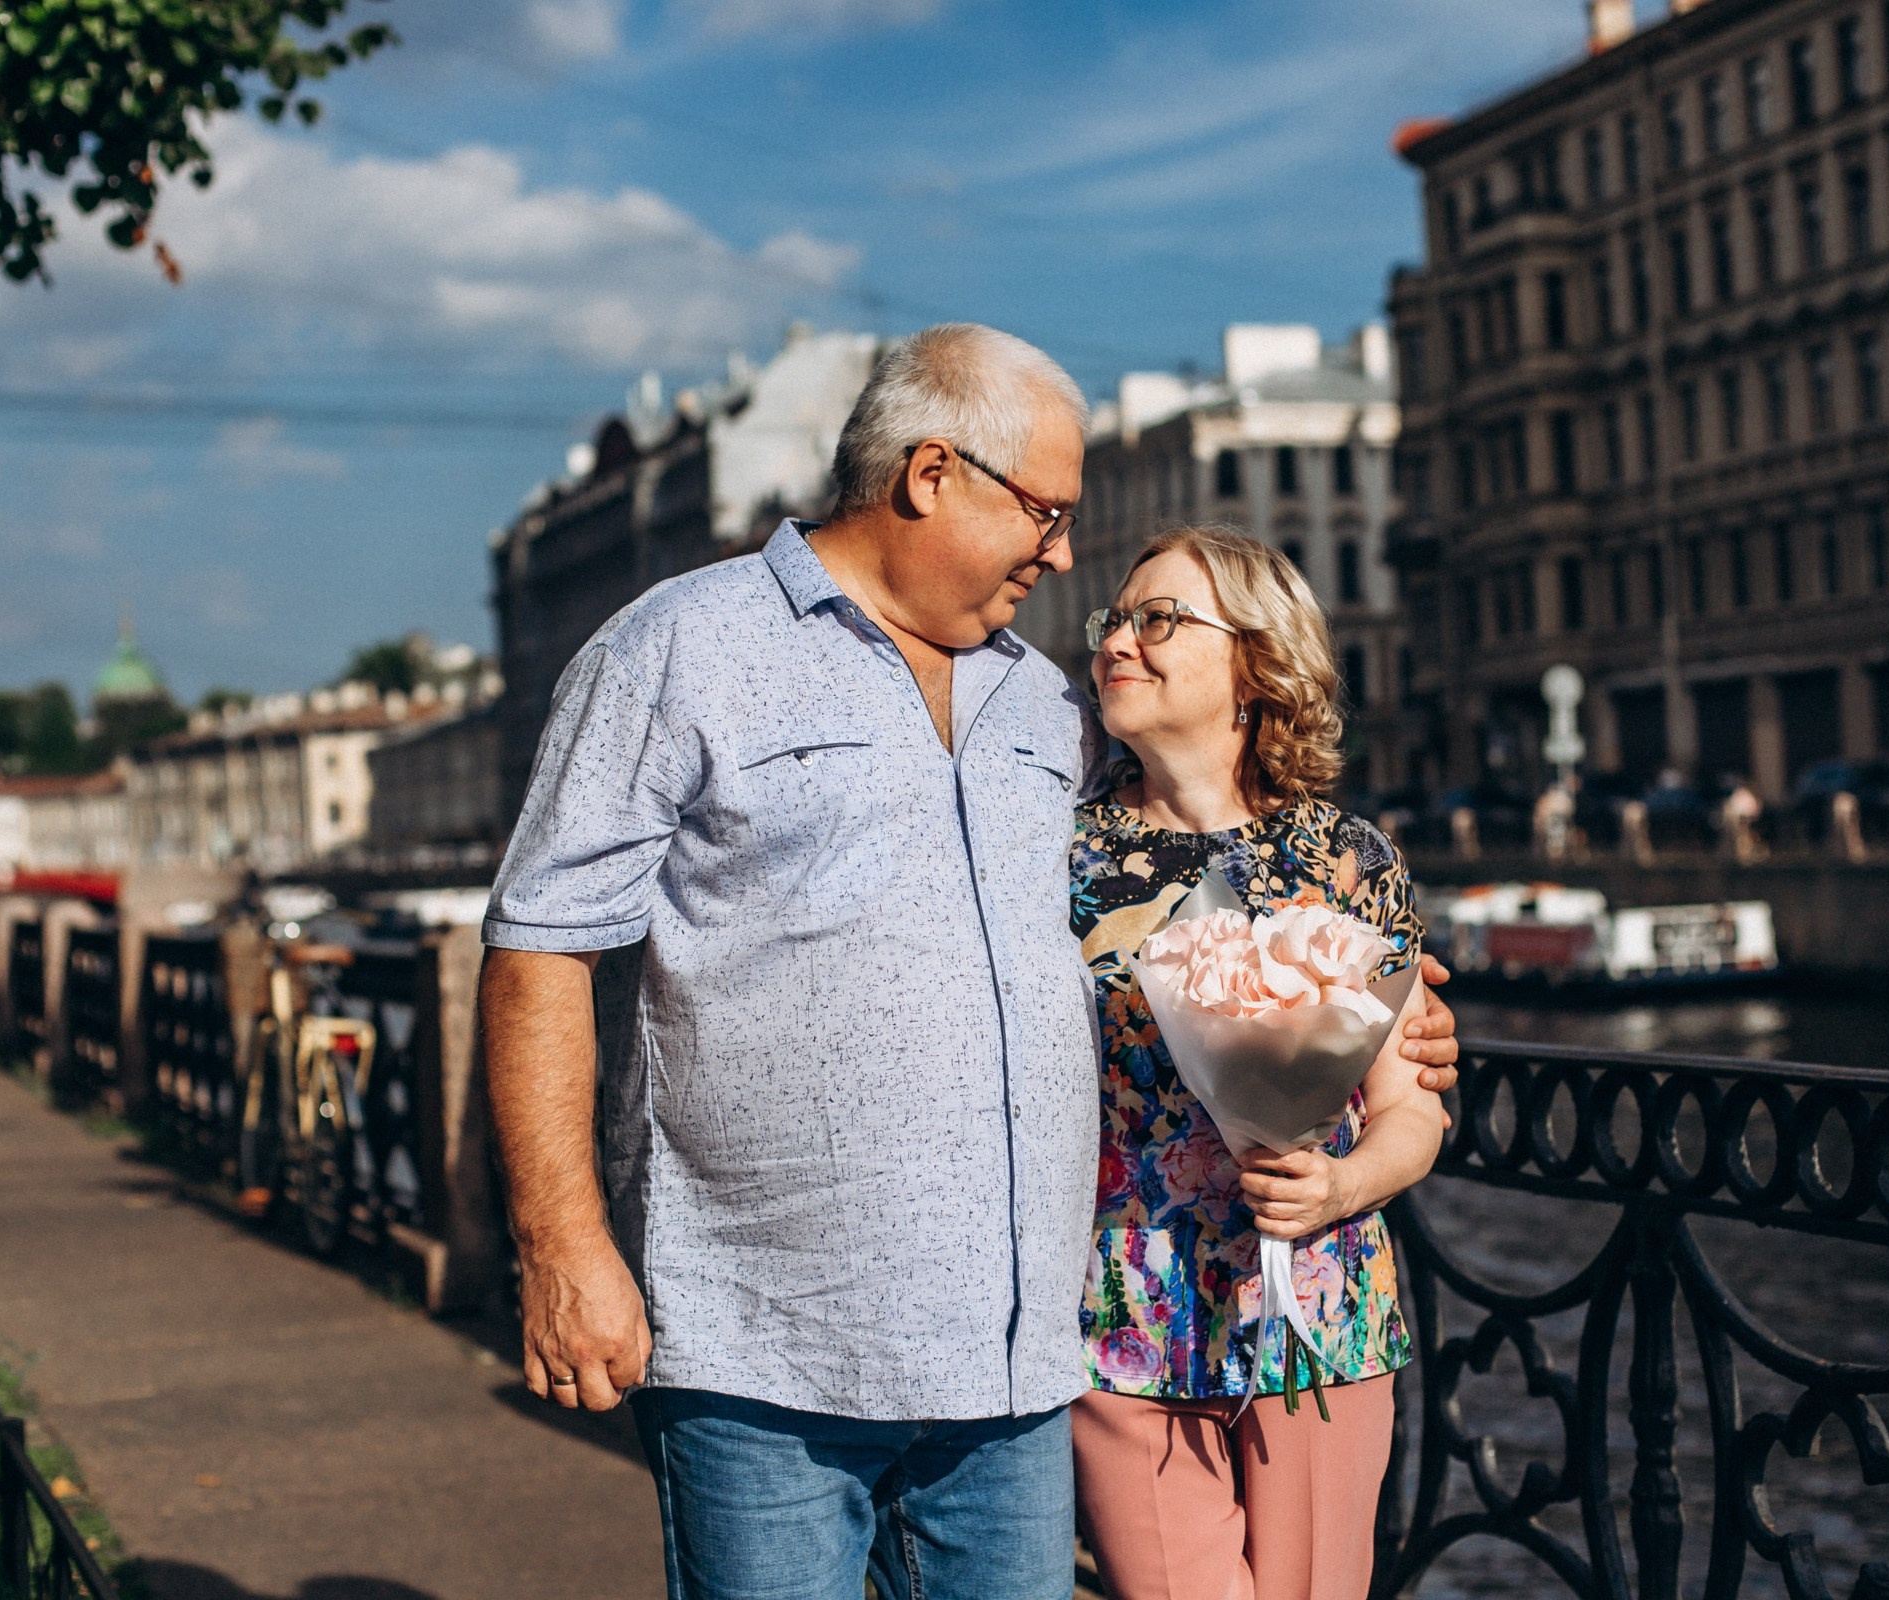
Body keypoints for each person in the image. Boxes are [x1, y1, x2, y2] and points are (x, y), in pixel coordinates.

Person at [480, 324, 1461, 1599]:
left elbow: (1231, 908)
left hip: (1015, 1367)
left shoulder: (1047, 711)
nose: (1060, 558)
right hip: (765, 1349)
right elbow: (541, 943)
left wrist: (1399, 1015)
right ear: (932, 475)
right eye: (1046, 515)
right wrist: (563, 1245)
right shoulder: (680, 648)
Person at [1067, 528, 1450, 1600]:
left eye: (1160, 619)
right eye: (1114, 620)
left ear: (1255, 663)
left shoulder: (1347, 857)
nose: (1118, 643)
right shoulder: (1062, 862)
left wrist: (1341, 1182)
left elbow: (1410, 1107)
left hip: (1322, 1314)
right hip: (1126, 1319)